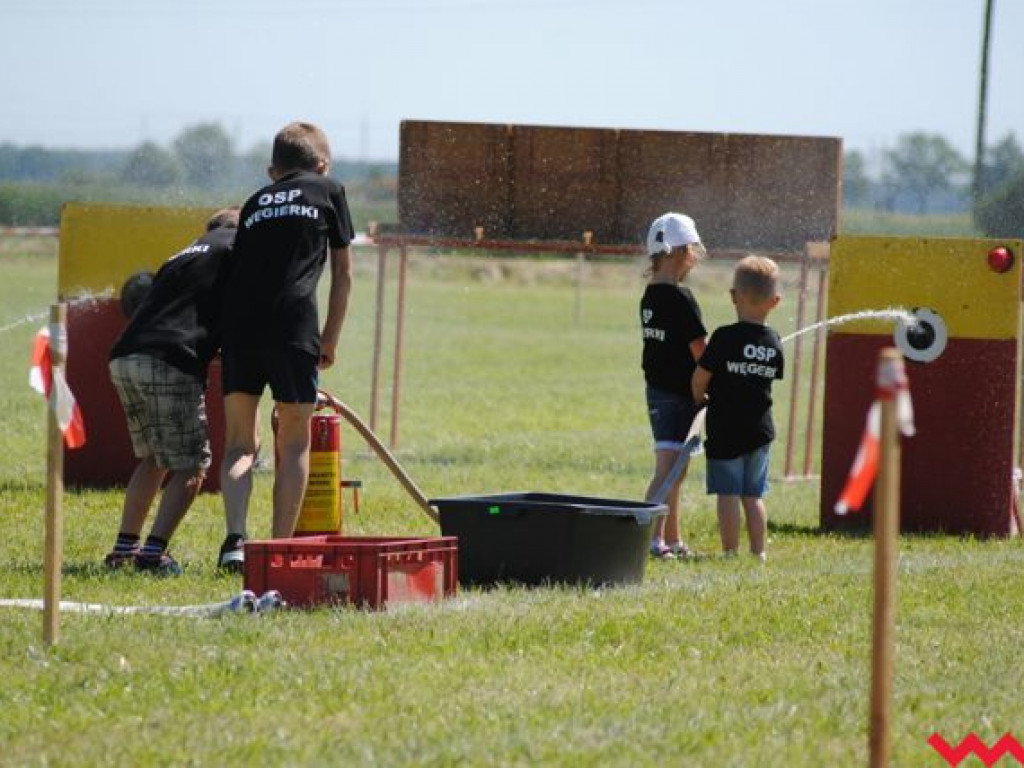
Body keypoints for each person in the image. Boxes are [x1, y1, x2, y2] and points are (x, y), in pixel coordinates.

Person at [217, 121, 354, 572]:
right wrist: (330, 337)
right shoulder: (329, 189)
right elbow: (343, 274)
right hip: (292, 325)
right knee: (293, 441)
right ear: (322, 164)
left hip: (239, 326)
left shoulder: (255, 201)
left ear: (273, 170)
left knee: (239, 444)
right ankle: (277, 550)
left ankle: (235, 540)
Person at [104, 207, 240, 575]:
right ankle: (152, 554)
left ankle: (123, 550)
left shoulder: (184, 253)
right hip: (169, 360)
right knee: (191, 465)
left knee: (155, 457)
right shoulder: (235, 246)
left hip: (125, 357)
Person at [692, 255, 784, 561]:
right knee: (753, 495)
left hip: (726, 428)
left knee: (728, 493)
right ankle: (759, 553)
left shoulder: (723, 337)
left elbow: (700, 377)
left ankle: (730, 552)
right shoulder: (774, 341)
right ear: (775, 302)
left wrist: (699, 399)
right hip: (759, 431)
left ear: (734, 296)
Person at [639, 212, 708, 560]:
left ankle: (673, 539)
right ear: (681, 252)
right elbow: (700, 351)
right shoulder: (682, 298)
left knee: (675, 471)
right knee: (668, 471)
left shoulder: (650, 295)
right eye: (692, 249)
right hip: (679, 396)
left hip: (658, 392)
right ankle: (649, 539)